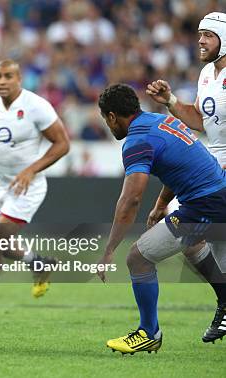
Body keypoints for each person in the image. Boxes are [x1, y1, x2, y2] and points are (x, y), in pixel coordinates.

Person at [96, 84, 226, 354]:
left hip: (207, 203)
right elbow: (179, 165)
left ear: (111, 117)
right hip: (215, 195)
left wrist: (109, 250)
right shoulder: (161, 119)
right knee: (192, 245)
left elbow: (130, 199)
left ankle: (148, 332)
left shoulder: (136, 140)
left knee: (138, 257)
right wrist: (161, 204)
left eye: (107, 121)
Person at [0, 60, 69, 319]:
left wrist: (32, 170)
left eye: (8, 76)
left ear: (19, 79)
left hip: (27, 185)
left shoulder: (37, 106)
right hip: (1, 182)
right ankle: (40, 263)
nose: (2, 81)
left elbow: (62, 144)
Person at [146, 11, 226, 343]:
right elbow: (199, 119)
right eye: (199, 35)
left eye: (208, 35)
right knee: (207, 246)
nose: (201, 41)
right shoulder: (207, 74)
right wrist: (171, 102)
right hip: (214, 163)